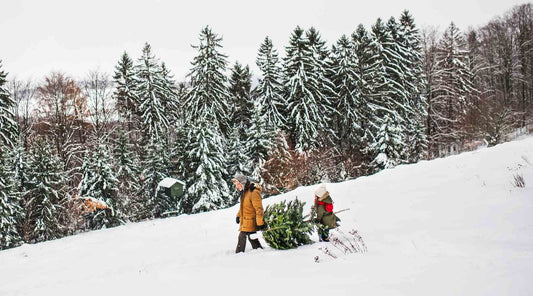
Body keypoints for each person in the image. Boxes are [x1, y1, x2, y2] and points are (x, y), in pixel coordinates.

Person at [233, 174, 267, 253]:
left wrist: (260, 222)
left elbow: (259, 209)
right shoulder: (244, 192)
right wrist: (238, 216)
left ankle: (238, 253)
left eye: (238, 184)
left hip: (251, 220)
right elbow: (243, 207)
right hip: (246, 219)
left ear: (243, 183)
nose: (237, 187)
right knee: (252, 237)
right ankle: (258, 249)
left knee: (242, 236)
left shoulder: (253, 192)